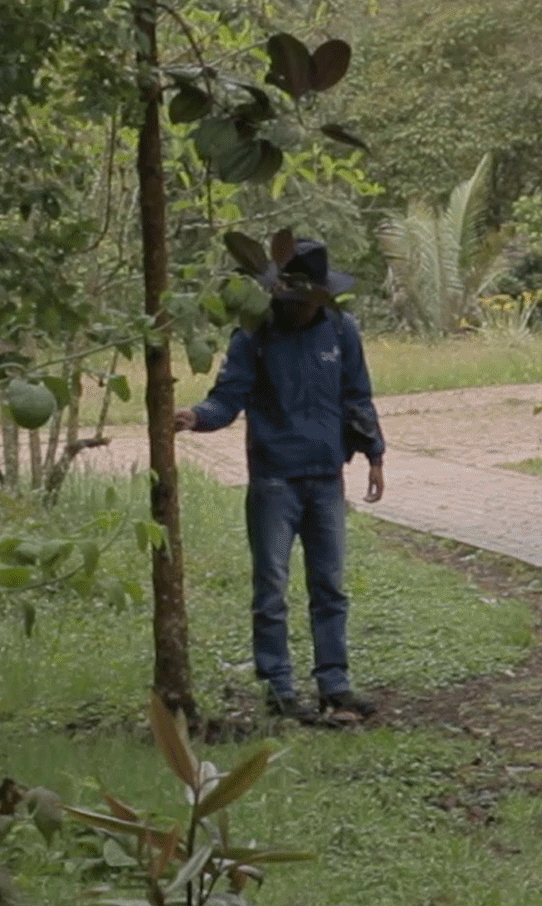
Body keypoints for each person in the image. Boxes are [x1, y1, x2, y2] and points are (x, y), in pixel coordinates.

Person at [175, 238, 386, 723]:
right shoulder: (254, 335)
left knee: (329, 586)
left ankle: (335, 685)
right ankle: (279, 690)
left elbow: (358, 396)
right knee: (271, 588)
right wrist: (197, 416)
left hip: (326, 477)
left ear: (321, 297)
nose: (295, 308)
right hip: (274, 479)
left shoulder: (341, 330)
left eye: (304, 299)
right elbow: (229, 396)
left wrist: (374, 453)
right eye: (287, 299)